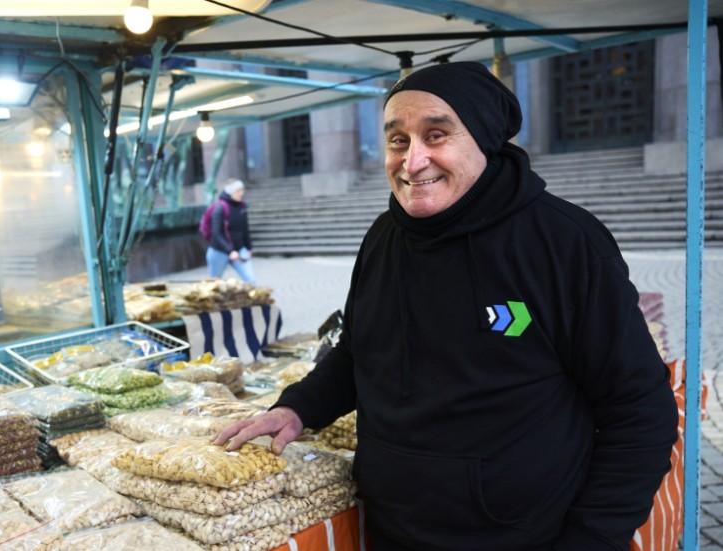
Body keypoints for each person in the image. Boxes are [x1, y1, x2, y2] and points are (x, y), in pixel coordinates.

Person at [214, 61, 678, 551]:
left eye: (436, 135)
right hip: (392, 529)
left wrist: (590, 539)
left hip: (524, 537)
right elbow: (359, 354)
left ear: (484, 140)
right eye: (398, 140)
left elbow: (640, 408)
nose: (413, 161)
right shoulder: (382, 238)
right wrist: (297, 407)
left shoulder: (563, 243)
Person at [205, 178, 256, 284]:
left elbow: (244, 229)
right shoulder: (220, 208)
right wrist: (230, 251)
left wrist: (249, 247)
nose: (242, 193)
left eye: (242, 190)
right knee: (215, 285)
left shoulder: (242, 206)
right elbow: (216, 234)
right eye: (238, 191)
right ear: (230, 192)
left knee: (251, 281)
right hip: (218, 252)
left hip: (239, 251)